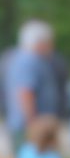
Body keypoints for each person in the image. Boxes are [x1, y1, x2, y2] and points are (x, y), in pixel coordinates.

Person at [4, 21, 59, 150]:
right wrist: (33, 125)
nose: (51, 46)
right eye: (49, 42)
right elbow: (25, 93)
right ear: (39, 42)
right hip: (30, 126)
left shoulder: (22, 58)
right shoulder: (29, 60)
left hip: (27, 125)